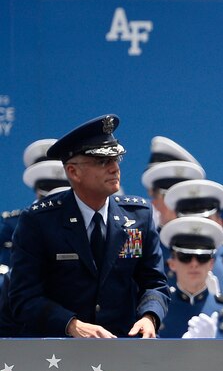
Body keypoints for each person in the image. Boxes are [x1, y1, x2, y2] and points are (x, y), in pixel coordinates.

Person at [6, 115, 168, 338]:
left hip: (125, 347)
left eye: (116, 158)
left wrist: (150, 317)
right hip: (59, 353)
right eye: (103, 161)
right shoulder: (39, 222)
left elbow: (154, 283)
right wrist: (71, 325)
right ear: (73, 172)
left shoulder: (139, 217)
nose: (114, 168)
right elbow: (23, 297)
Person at [157, 217, 223, 339]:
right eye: (185, 257)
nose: (194, 264)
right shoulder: (158, 310)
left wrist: (213, 348)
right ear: (172, 263)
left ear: (211, 264)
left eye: (202, 257)